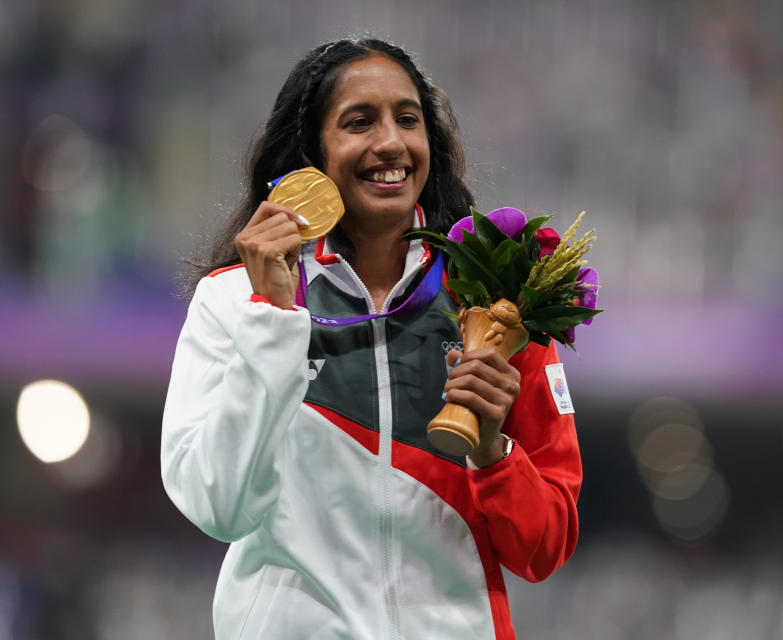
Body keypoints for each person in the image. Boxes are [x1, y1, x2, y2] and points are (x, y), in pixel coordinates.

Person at [161, 38, 582, 640]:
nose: (390, 143)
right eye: (359, 122)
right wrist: (273, 320)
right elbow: (221, 508)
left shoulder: (497, 302)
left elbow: (544, 551)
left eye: (407, 120)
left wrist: (493, 453)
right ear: (313, 152)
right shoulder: (233, 302)